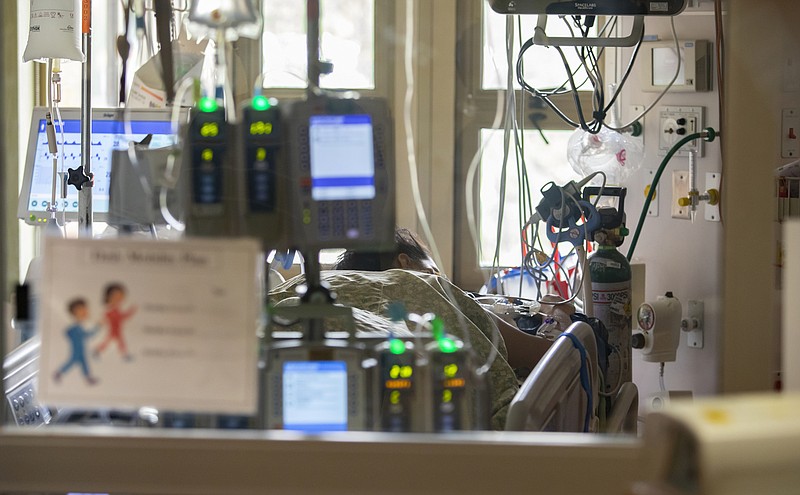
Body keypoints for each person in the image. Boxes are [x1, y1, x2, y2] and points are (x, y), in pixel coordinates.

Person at [333, 228, 552, 372]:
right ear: (404, 263)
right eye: (436, 273)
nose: (444, 282)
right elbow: (542, 356)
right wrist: (559, 311)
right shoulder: (435, 299)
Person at [54, 298, 100, 385]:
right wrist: (97, 328)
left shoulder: (78, 327)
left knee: (84, 363)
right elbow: (87, 335)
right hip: (77, 351)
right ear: (75, 312)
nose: (86, 311)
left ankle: (88, 378)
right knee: (72, 362)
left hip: (81, 350)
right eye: (82, 309)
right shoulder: (76, 328)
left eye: (85, 309)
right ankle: (58, 373)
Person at [94, 283, 138, 361]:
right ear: (109, 297)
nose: (120, 298)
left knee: (115, 342)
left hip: (117, 330)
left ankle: (125, 355)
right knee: (108, 342)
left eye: (121, 296)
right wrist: (130, 312)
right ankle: (98, 351)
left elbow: (120, 317)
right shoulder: (111, 309)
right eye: (117, 296)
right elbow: (120, 317)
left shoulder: (116, 308)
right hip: (114, 330)